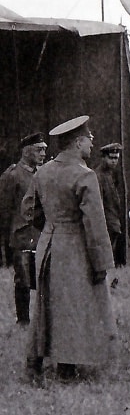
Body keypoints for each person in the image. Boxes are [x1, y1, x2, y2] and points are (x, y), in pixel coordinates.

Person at [22, 116, 117, 386]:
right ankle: (65, 368)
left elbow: (28, 209)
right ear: (77, 143)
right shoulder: (84, 175)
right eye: (89, 140)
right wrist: (101, 264)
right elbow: (95, 224)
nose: (91, 144)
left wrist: (51, 226)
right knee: (72, 306)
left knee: (45, 304)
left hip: (48, 244)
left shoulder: (43, 172)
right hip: (75, 247)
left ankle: (35, 362)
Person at [0, 133, 46, 325]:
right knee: (24, 281)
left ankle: (43, 320)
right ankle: (23, 320)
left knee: (44, 279)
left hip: (42, 234)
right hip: (21, 236)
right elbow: (4, 209)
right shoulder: (12, 175)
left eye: (44, 149)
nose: (43, 153)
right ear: (26, 152)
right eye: (39, 149)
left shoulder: (43, 173)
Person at [96, 143, 126, 267]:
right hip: (106, 218)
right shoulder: (97, 176)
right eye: (111, 158)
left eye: (116, 158)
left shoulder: (113, 174)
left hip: (114, 215)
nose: (114, 161)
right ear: (103, 158)